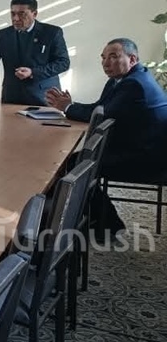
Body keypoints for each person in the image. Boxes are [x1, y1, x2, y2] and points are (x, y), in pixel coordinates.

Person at [46, 38, 167, 237]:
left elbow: (102, 115)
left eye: (113, 57)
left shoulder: (134, 84)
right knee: (75, 161)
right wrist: (70, 105)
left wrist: (67, 107)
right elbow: (99, 108)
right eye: (103, 58)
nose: (105, 63)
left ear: (132, 59)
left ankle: (105, 226)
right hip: (135, 147)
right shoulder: (121, 80)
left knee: (74, 166)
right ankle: (102, 222)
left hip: (148, 160)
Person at [0, 0, 70, 106]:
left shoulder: (52, 33)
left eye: (22, 14)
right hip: (11, 97)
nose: (16, 18)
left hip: (44, 97)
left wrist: (33, 72)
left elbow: (63, 63)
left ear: (34, 14)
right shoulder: (3, 35)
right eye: (13, 14)